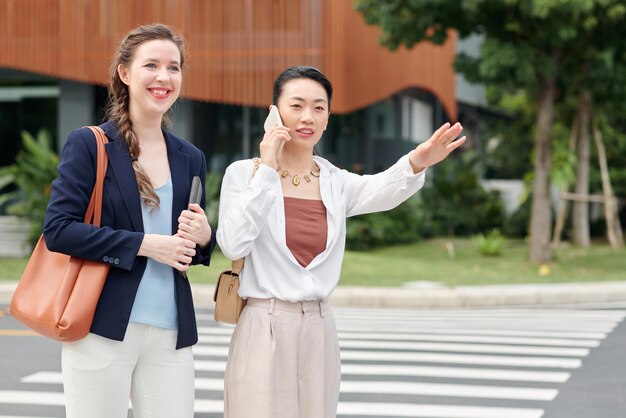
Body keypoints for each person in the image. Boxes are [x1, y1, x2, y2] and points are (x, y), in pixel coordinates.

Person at [216, 66, 466, 418]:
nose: (308, 117)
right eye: (297, 105)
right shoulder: (245, 175)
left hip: (318, 327)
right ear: (274, 112)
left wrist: (417, 161)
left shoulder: (336, 182)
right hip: (263, 324)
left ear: (328, 118)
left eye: (319, 108)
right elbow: (233, 244)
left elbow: (382, 188)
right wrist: (268, 169)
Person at [43, 23, 215, 418]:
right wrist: (145, 244)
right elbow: (59, 229)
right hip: (102, 326)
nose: (163, 77)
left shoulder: (190, 157)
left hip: (172, 332)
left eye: (173, 68)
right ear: (125, 73)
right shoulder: (91, 143)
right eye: (151, 65)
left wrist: (205, 238)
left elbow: (190, 247)